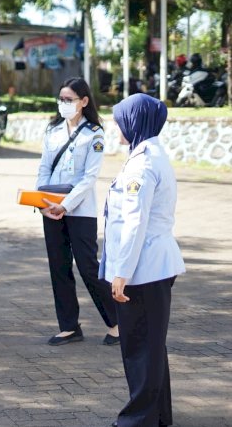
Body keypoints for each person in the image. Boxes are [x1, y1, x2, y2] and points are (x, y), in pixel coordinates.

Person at [102, 93, 185, 427]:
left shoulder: (143, 163)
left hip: (144, 268)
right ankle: (158, 417)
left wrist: (121, 273)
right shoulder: (146, 155)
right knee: (150, 347)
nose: (116, 125)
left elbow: (135, 222)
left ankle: (138, 420)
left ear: (136, 120)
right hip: (150, 265)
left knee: (139, 349)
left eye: (121, 118)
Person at [37, 78, 119, 346]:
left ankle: (117, 322)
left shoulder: (94, 134)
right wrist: (43, 199)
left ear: (84, 102)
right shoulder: (53, 132)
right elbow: (44, 168)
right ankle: (69, 326)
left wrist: (66, 204)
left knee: (88, 267)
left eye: (69, 99)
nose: (64, 104)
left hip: (79, 211)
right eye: (61, 99)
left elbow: (89, 178)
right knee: (58, 268)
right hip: (51, 211)